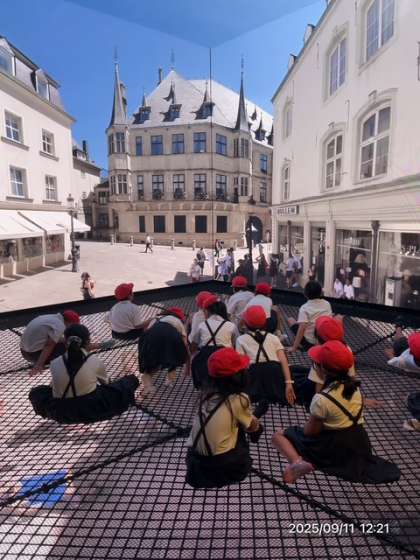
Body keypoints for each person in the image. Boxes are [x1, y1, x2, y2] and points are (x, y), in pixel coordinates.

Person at [272, 341, 401, 484]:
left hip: (333, 447)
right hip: (359, 445)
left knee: (279, 436)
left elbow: (310, 432)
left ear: (321, 369)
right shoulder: (355, 389)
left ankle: (297, 463)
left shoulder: (322, 399)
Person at [29, 324, 139, 424]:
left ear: (65, 343)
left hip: (62, 413)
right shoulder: (93, 360)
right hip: (91, 410)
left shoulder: (55, 362)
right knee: (129, 381)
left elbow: (54, 386)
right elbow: (106, 383)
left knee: (37, 392)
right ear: (88, 342)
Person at [185, 348, 262, 489]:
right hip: (224, 466)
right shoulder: (239, 399)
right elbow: (252, 427)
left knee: (233, 420)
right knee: (247, 426)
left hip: (194, 462)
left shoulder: (205, 394)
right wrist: (256, 423)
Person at [236, 306, 295, 411]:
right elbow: (283, 360)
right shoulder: (274, 338)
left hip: (254, 375)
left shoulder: (241, 339)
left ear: (245, 323)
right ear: (265, 322)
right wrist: (288, 383)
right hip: (275, 373)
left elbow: (241, 365)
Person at [190, 295, 238, 389]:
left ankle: (200, 386)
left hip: (206, 358)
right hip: (225, 357)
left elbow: (193, 346)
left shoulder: (202, 325)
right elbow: (236, 344)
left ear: (207, 311)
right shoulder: (231, 326)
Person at [138, 307, 190, 393]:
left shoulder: (156, 318)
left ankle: (148, 381)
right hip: (169, 335)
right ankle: (170, 377)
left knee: (152, 363)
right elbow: (185, 344)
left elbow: (146, 332)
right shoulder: (178, 321)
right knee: (176, 355)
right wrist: (186, 363)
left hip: (150, 337)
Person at [20, 310, 81, 376]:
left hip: (24, 352)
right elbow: (49, 344)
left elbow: (49, 338)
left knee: (65, 341)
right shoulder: (60, 325)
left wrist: (64, 340)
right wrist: (39, 364)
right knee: (67, 347)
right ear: (69, 323)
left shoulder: (50, 318)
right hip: (33, 355)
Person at [287, 281, 332, 352]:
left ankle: (300, 345)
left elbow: (302, 329)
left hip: (310, 343)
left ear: (305, 294)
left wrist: (294, 348)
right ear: (321, 293)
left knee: (290, 320)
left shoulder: (304, 308)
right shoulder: (327, 304)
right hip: (324, 341)